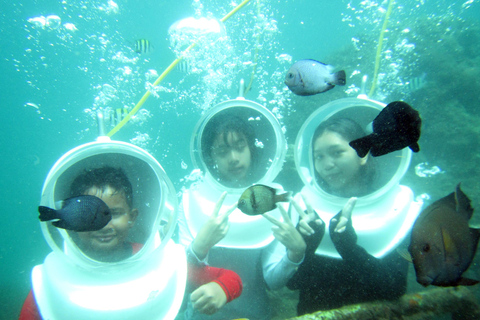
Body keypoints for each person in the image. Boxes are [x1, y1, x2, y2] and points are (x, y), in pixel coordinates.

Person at [19, 166, 242, 320]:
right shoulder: (56, 275)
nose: (103, 225)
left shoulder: (154, 259)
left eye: (114, 213)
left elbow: (231, 279)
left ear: (132, 218)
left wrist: (221, 289)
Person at [179, 109, 307, 320]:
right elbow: (184, 278)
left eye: (240, 147)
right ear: (210, 156)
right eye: (222, 151)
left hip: (255, 315)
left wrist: (295, 254)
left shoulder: (272, 196)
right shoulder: (192, 197)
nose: (233, 158)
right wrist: (199, 246)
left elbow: (273, 281)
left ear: (251, 148)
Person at [285, 117, 411, 315]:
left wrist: (350, 249)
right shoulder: (308, 206)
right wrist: (306, 248)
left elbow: (394, 287)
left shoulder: (392, 206)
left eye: (336, 152)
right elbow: (293, 284)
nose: (327, 165)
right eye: (319, 157)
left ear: (362, 154)